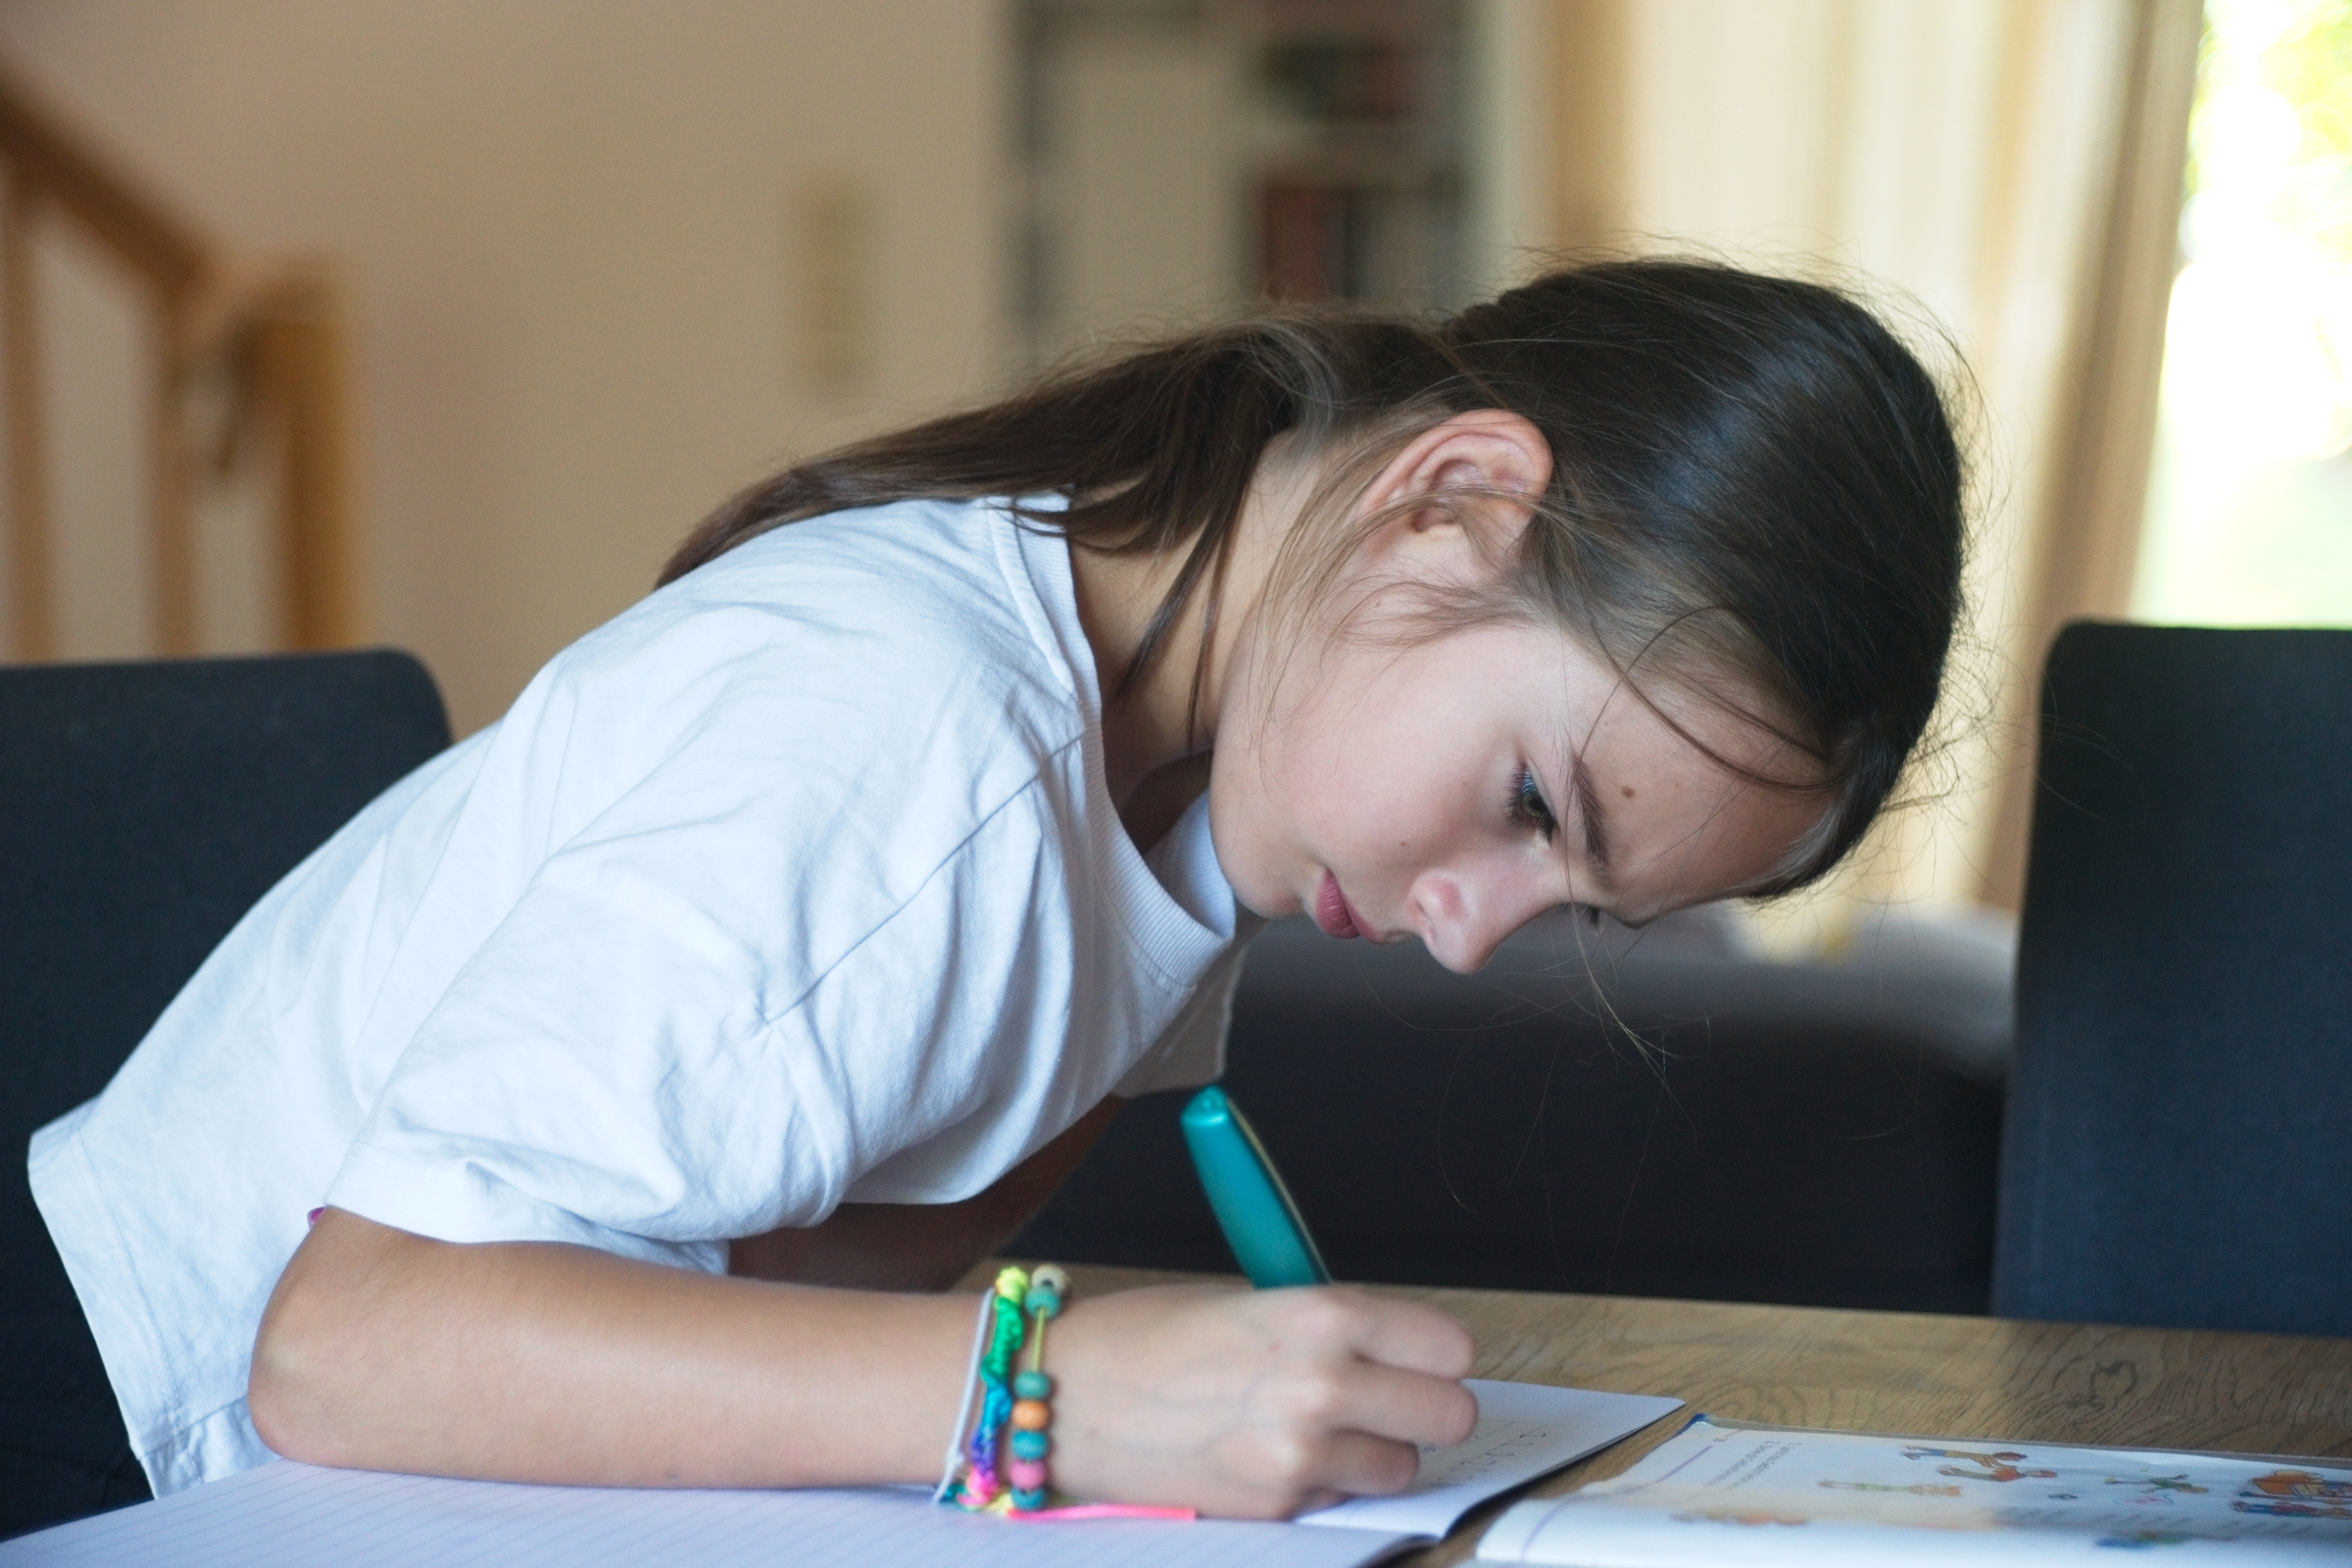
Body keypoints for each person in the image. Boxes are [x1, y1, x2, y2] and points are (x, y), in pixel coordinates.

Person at [17, 259, 1965, 1532]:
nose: (1468, 932)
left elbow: (792, 1277)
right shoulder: (910, 731)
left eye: (1573, 904)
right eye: (1532, 803)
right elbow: (346, 1341)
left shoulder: (1199, 806)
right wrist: (1047, 1392)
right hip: (114, 1440)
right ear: (1447, 499)